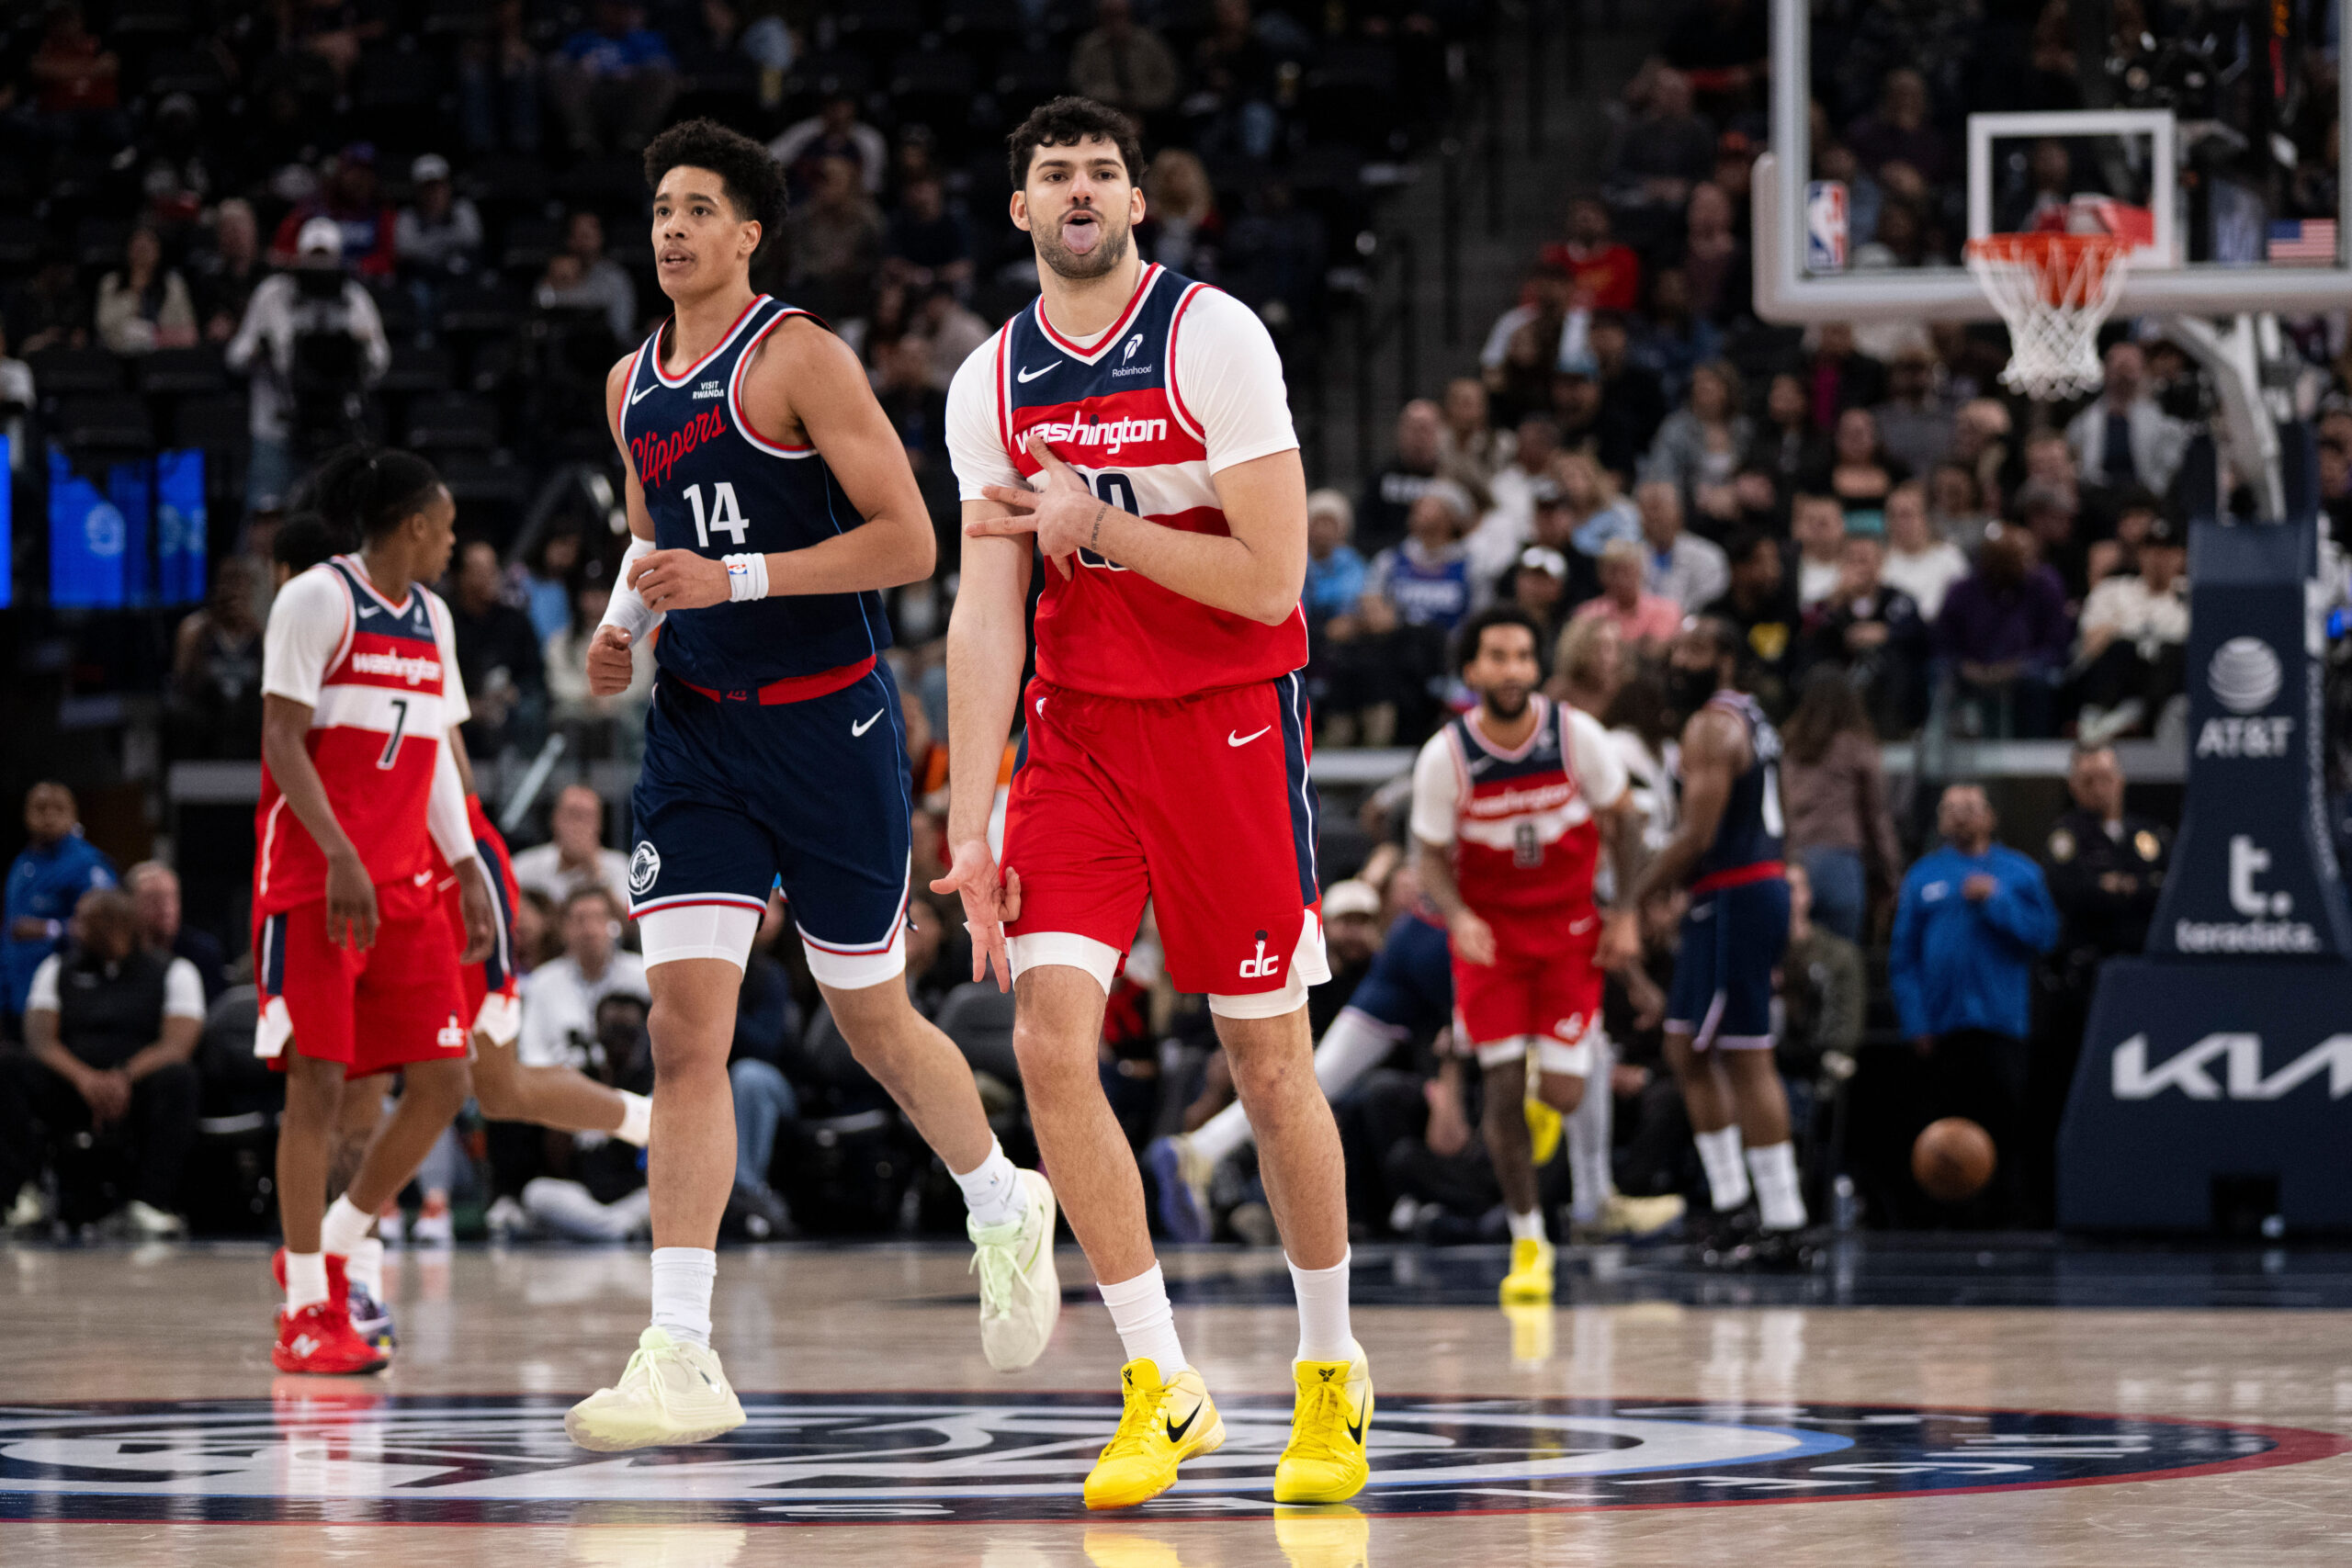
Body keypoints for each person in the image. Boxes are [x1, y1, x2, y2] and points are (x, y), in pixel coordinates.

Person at [566, 119, 1057, 1451]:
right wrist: (623, 625)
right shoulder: (629, 383)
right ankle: (679, 1344)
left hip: (829, 725)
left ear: (749, 235)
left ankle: (1003, 1196)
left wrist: (738, 580)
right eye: (658, 205)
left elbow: (907, 539)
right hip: (699, 733)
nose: (670, 227)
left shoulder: (799, 356)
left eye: (698, 208)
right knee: (682, 1033)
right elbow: (652, 531)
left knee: (872, 1017)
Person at [938, 97, 1368, 1510]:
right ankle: (1159, 1380)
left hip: (1231, 726)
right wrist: (970, 813)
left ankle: (1328, 1370)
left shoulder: (1215, 338)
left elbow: (1271, 580)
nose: (1078, 189)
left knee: (1266, 1063)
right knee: (1050, 1041)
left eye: (1101, 173)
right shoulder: (988, 382)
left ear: (1137, 203)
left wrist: (1101, 527)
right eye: (1052, 172)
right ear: (1020, 210)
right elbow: (988, 611)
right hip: (1077, 747)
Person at [251, 446, 496, 1374]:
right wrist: (342, 852)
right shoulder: (315, 598)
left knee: (443, 1078)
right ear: (412, 527)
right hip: (318, 879)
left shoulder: (432, 615)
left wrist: (466, 861)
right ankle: (306, 1309)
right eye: (447, 524)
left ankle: (334, 1245)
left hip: (403, 882)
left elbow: (432, 749)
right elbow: (281, 737)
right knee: (317, 1085)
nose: (455, 539)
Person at [1409, 607, 1648, 1303]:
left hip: (1571, 932)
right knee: (1504, 1091)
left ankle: (1557, 1087)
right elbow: (1427, 851)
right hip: (1492, 939)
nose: (1510, 668)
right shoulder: (1445, 756)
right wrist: (1456, 916)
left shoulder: (1577, 736)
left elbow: (1626, 821)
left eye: (1521, 655)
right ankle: (1528, 1240)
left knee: (1563, 1093)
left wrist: (1626, 910)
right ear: (1473, 670)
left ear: (1537, 667)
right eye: (1496, 656)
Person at [1622, 618, 1809, 1265]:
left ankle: (1781, 1219)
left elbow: (1698, 836)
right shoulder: (1753, 718)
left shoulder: (1710, 725)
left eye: (1696, 649)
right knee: (1688, 1049)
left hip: (1736, 892)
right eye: (1675, 649)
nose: (1680, 660)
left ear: (1727, 660)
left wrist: (1635, 895)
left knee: (1745, 1055)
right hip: (1738, 890)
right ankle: (1734, 1205)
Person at [1889, 784, 2059, 1228]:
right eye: (1951, 810)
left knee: (2008, 1125)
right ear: (1941, 820)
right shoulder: (1923, 876)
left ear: (1990, 817)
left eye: (1970, 809)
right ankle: (1939, 1216)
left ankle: (2007, 1216)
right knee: (1939, 1128)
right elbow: (1903, 959)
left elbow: (2044, 937)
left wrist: (1997, 900)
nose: (1961, 817)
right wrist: (1916, 1022)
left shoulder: (2019, 874)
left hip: (2002, 1023)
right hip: (1942, 1028)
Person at [0, 888, 203, 1237]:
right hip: (71, 1086)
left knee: (180, 1077)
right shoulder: (56, 967)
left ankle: (148, 1203)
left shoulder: (174, 971)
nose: (74, 929)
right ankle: (23, 1196)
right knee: (8, 1067)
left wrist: (123, 1077)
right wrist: (85, 1080)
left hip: (138, 1089)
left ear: (116, 925)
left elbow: (176, 1044)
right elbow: (40, 1040)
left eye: (84, 921)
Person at [2035, 744, 2167, 1221]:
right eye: (2088, 778)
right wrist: (2130, 889)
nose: (2099, 786)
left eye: (2106, 776)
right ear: (2074, 786)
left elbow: (2165, 893)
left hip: (2142, 983)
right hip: (2084, 984)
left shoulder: (2149, 834)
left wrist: (2120, 888)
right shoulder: (2066, 835)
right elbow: (2075, 891)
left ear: (2121, 779)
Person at [225, 219, 390, 513]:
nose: (319, 267)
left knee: (337, 517)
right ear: (299, 258)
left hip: (339, 424)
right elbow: (235, 355)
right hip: (277, 427)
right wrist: (258, 352)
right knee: (269, 514)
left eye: (326, 259)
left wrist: (360, 350)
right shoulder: (271, 295)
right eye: (313, 258)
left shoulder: (354, 299)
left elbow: (380, 361)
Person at [1777, 669, 1902, 945]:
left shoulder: (1789, 744)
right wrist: (1893, 875)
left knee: (1796, 958)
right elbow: (1877, 816)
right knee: (1841, 961)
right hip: (1840, 862)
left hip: (1793, 862)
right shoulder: (1856, 745)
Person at [6, 783, 118, 1022]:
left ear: (74, 815)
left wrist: (48, 929)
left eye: (58, 808)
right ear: (26, 814)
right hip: (16, 992)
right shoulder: (22, 864)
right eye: (40, 807)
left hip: (64, 997)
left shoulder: (87, 865)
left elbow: (106, 928)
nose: (49, 815)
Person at [448, 539, 547, 757]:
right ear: (460, 577)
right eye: (479, 571)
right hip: (461, 715)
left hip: (508, 714)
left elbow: (536, 673)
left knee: (531, 711)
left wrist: (515, 692)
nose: (489, 578)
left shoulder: (516, 620)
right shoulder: (446, 620)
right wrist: (468, 705)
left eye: (492, 569)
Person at [2064, 341, 2191, 501]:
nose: (2124, 377)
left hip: (2143, 498)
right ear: (2106, 371)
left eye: (2129, 370)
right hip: (2097, 499)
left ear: (2141, 371)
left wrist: (2151, 495)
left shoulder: (2162, 423)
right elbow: (2076, 466)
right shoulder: (2083, 422)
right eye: (2119, 369)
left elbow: (2169, 466)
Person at [510, 784, 634, 912]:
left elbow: (632, 924)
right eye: (572, 814)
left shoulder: (619, 866)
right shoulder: (524, 866)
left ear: (599, 825)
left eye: (587, 816)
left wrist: (598, 875)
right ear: (554, 820)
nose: (578, 825)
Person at [124, 861, 227, 1004]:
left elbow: (215, 1013)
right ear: (130, 903)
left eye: (171, 897)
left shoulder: (203, 952)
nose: (166, 908)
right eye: (154, 899)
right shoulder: (120, 951)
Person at [95, 225, 197, 355]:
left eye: (148, 247)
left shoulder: (173, 283)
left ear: (159, 250)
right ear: (128, 250)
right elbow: (105, 326)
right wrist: (135, 292)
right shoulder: (111, 283)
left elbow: (189, 331)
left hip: (167, 353)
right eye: (138, 248)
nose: (142, 253)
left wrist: (157, 336)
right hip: (120, 355)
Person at [1573, 538, 1683, 652]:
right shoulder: (1587, 614)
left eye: (1627, 571)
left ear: (1640, 571)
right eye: (1613, 572)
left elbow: (1655, 652)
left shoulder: (1666, 610)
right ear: (1601, 575)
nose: (1620, 579)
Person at [1636, 479, 1728, 614]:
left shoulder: (1708, 556)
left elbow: (1708, 603)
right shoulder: (1629, 557)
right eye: (1645, 508)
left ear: (1678, 510)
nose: (1652, 516)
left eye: (1657, 507)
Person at [1883, 479, 1970, 620]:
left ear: (1925, 517)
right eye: (1893, 516)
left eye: (1906, 515)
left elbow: (1964, 605)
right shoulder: (1879, 562)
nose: (1899, 523)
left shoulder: (1950, 558)